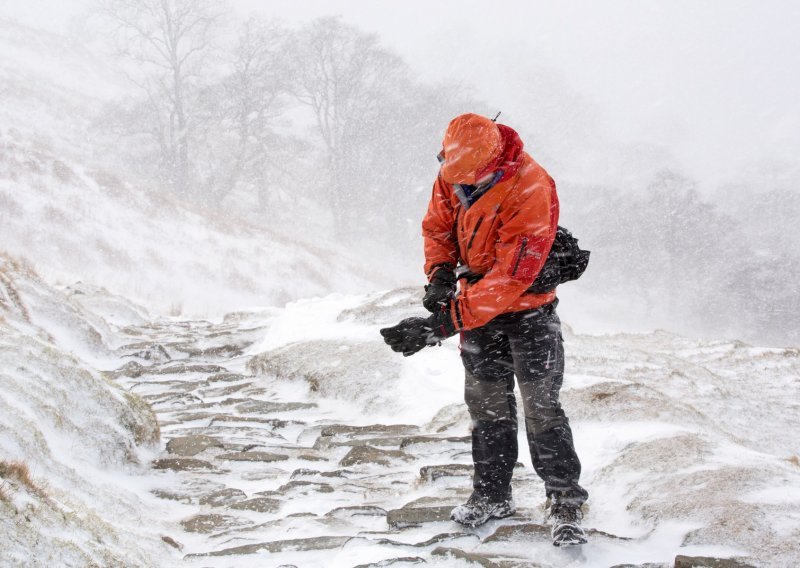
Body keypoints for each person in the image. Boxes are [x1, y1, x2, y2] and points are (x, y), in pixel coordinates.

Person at [380, 113, 589, 546]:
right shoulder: (453, 171)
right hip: (478, 314)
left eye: (471, 173)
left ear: (493, 157)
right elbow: (437, 225)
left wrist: (443, 322)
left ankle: (565, 500)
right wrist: (439, 274)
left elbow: (512, 277)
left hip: (530, 314)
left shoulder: (531, 185)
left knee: (542, 409)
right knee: (487, 409)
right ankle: (491, 495)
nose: (461, 180)